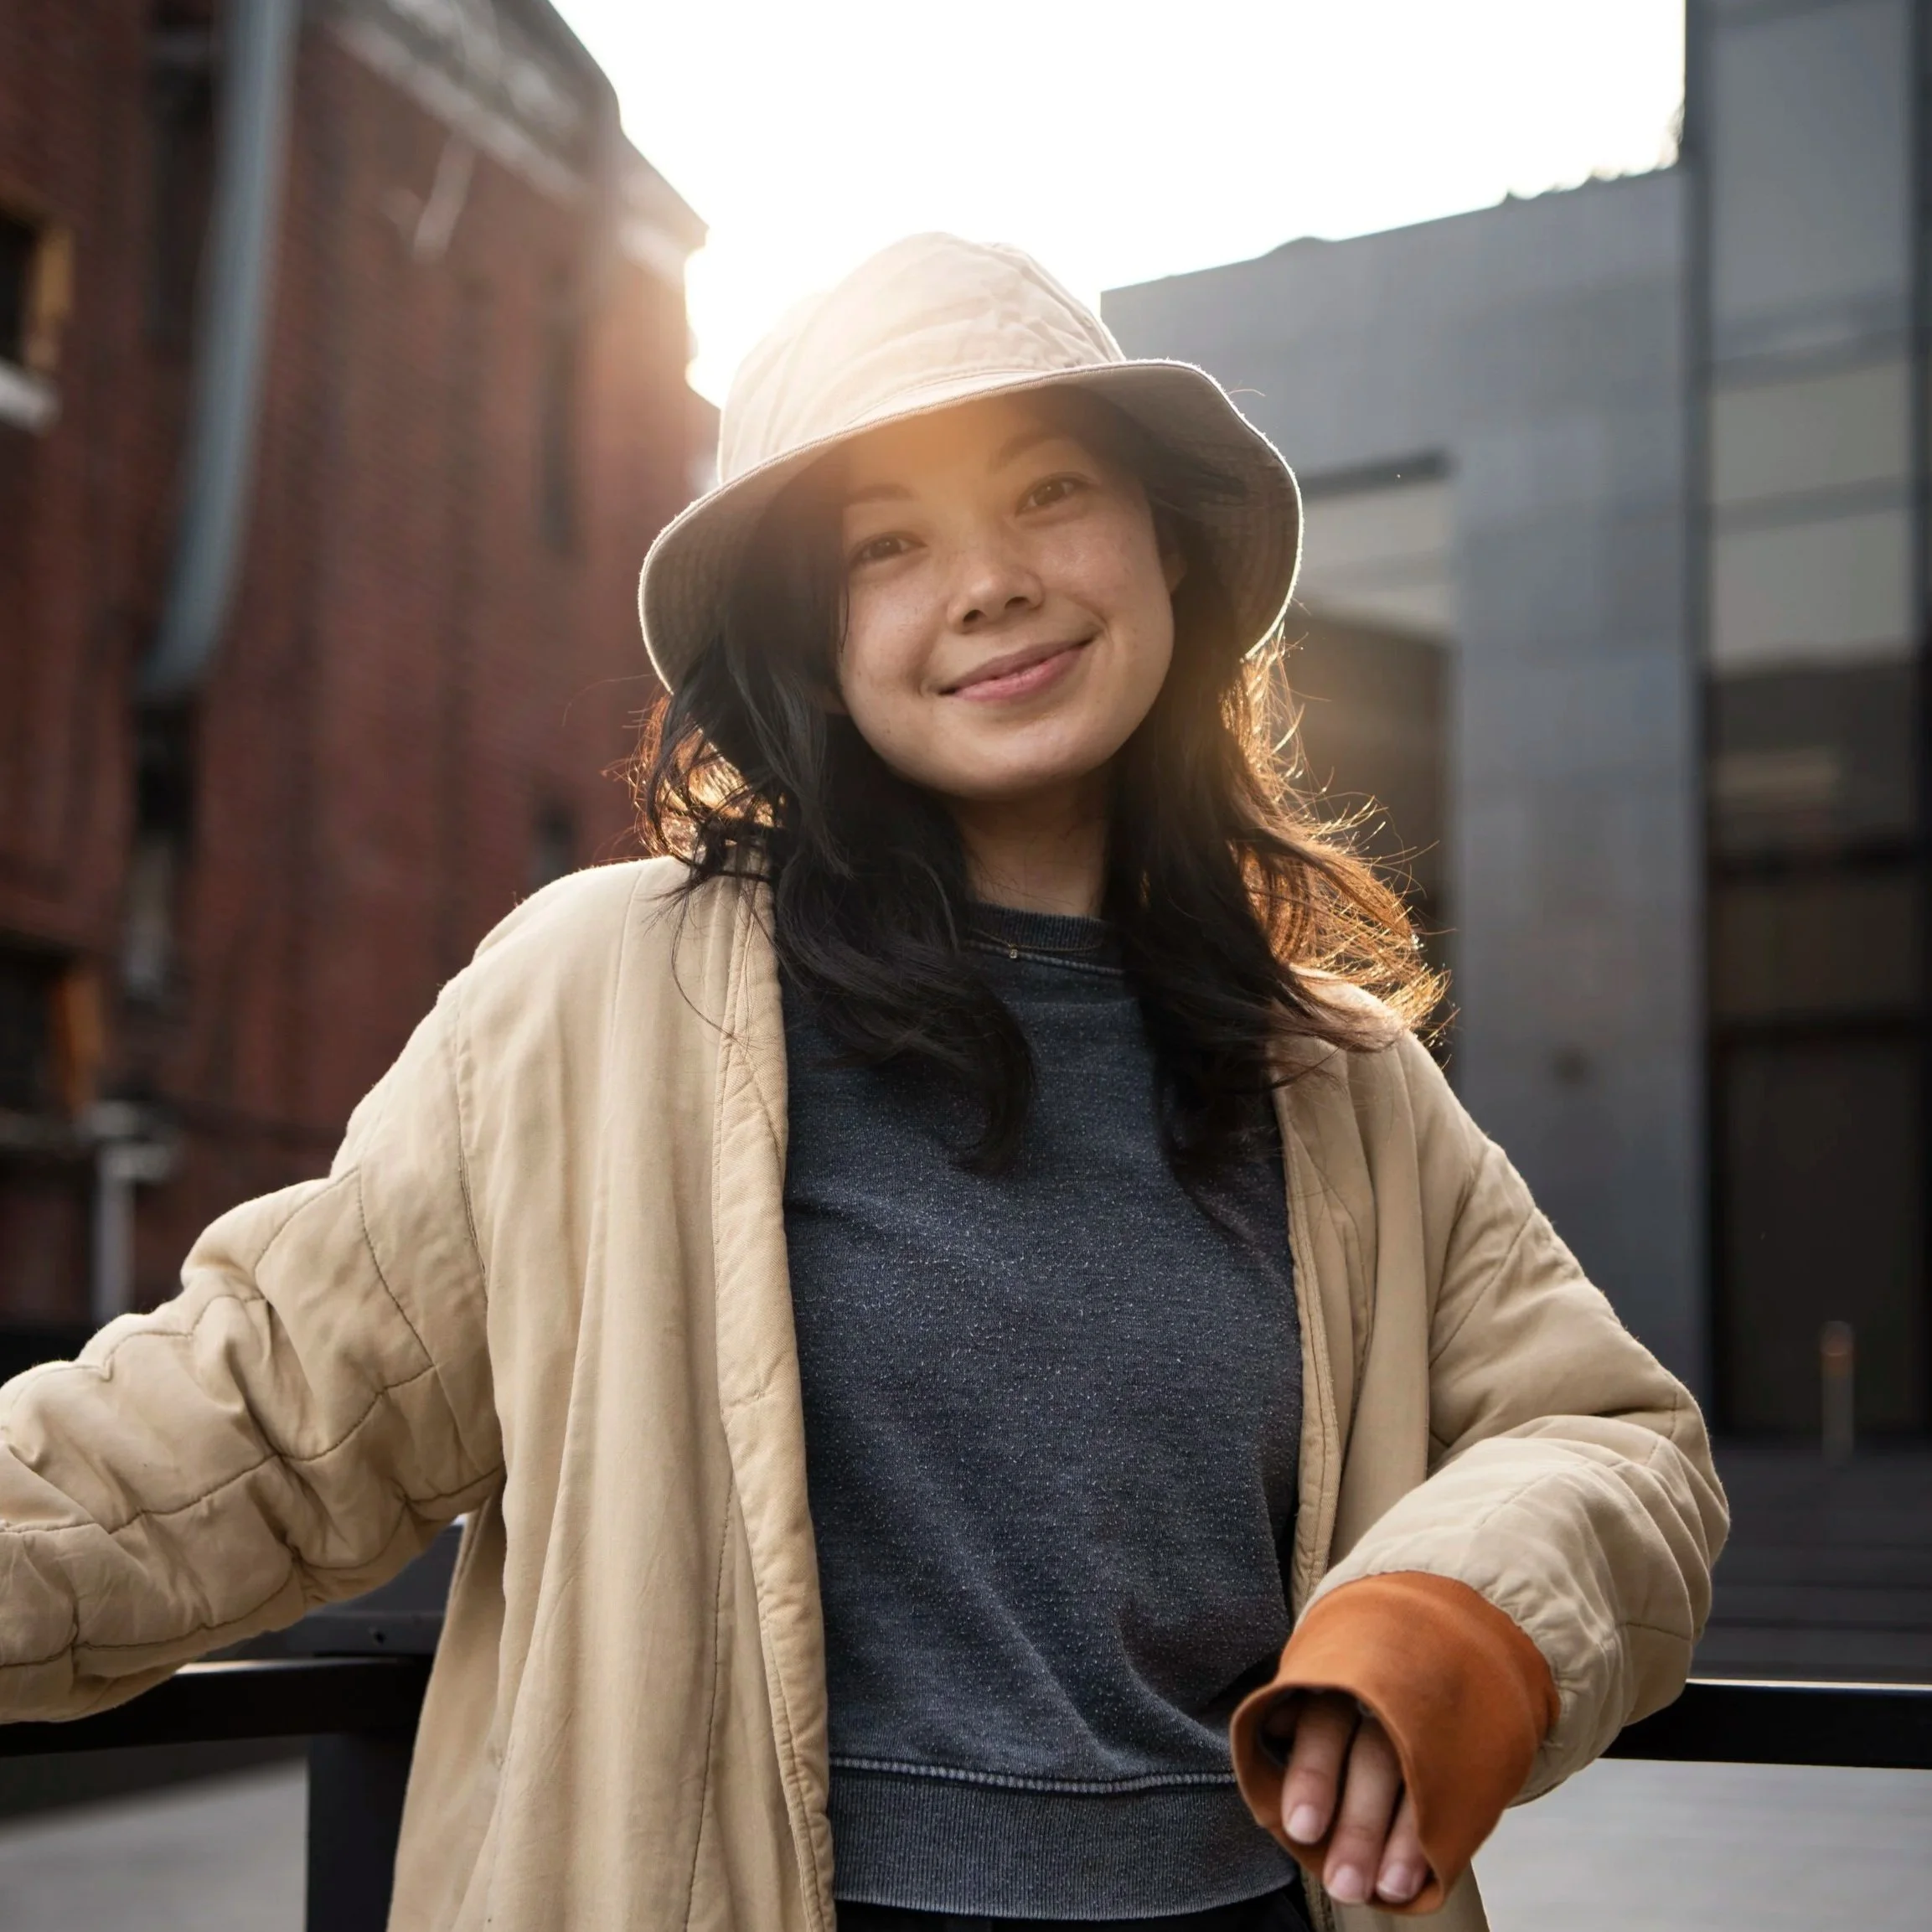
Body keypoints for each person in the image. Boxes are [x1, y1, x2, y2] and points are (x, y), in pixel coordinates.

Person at [0, 235, 1725, 1932]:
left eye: (1050, 492)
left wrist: (1447, 1622)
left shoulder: (1335, 1077)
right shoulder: (600, 999)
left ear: (1164, 547)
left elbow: (1614, 1441)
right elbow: (249, 1423)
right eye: (887, 542)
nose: (988, 581)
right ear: (804, 638)